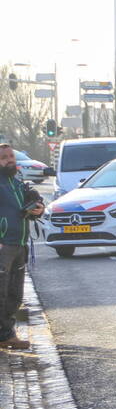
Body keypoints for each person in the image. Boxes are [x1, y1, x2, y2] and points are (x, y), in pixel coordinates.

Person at [0, 143, 43, 349]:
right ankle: (5, 334)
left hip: (20, 244)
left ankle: (7, 334)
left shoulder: (17, 183)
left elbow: (25, 211)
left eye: (11, 156)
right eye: (4, 157)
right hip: (4, 246)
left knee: (14, 293)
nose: (9, 160)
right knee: (1, 292)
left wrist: (37, 210)